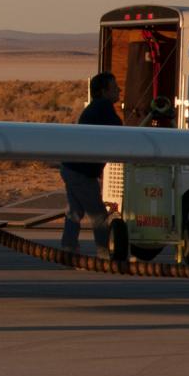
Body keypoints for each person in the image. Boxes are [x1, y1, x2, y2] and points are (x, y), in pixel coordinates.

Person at [59, 72, 122, 254]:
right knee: (99, 216)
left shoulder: (96, 108)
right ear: (103, 91)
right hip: (81, 172)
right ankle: (104, 254)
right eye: (114, 87)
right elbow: (120, 131)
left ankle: (68, 249)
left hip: (71, 168)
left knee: (75, 212)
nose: (119, 90)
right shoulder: (103, 107)